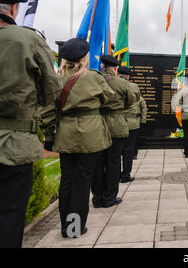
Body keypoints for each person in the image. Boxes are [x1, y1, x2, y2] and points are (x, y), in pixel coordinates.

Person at [0, 0, 61, 248]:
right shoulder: (27, 40)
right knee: (10, 214)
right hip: (13, 142)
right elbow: (52, 90)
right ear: (13, 8)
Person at [41, 38, 114, 238]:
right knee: (82, 182)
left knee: (67, 180)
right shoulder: (94, 77)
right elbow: (109, 98)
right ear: (84, 57)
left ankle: (66, 225)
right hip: (90, 136)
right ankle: (75, 228)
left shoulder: (57, 79)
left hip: (65, 135)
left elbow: (46, 111)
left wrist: (49, 136)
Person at [91, 55, 137, 208]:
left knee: (97, 163)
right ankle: (110, 197)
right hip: (116, 125)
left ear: (102, 65)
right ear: (115, 68)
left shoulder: (92, 79)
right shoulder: (121, 83)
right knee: (113, 162)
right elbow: (131, 101)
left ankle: (97, 198)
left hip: (96, 123)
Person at [117, 66, 142, 183]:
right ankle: (126, 175)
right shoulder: (133, 86)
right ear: (128, 76)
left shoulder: (109, 84)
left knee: (115, 152)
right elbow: (136, 99)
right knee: (128, 150)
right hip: (131, 123)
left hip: (116, 122)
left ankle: (115, 176)